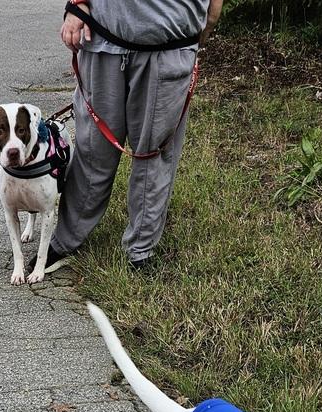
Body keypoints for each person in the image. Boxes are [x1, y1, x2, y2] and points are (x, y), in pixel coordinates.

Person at [37, 0, 223, 274]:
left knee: (155, 153)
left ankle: (140, 252)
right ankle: (66, 241)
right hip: (102, 40)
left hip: (170, 46)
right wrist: (77, 5)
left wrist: (208, 20)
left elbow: (212, 13)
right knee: (92, 151)